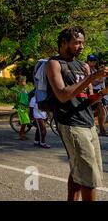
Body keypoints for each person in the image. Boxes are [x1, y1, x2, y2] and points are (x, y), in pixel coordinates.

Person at [46, 26, 108, 201]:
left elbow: (88, 99)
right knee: (88, 178)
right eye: (77, 43)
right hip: (71, 123)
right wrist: (92, 78)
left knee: (79, 169)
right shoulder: (54, 64)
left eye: (82, 43)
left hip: (88, 123)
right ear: (64, 43)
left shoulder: (83, 66)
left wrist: (103, 92)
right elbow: (62, 95)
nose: (81, 46)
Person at [86, 54, 107, 136]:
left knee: (102, 111)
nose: (93, 62)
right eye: (91, 60)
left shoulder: (96, 69)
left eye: (94, 60)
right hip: (93, 91)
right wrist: (100, 80)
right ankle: (102, 130)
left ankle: (101, 129)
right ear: (88, 61)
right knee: (101, 110)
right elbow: (92, 83)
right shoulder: (87, 69)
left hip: (100, 91)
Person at [14, 76, 30, 141]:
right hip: (21, 107)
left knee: (25, 122)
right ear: (19, 82)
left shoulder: (24, 88)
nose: (24, 82)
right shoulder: (17, 89)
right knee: (24, 121)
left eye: (25, 81)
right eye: (23, 81)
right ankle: (21, 135)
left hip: (25, 106)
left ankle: (22, 134)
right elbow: (15, 98)